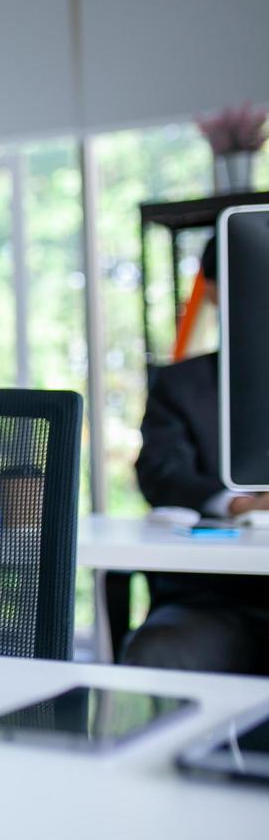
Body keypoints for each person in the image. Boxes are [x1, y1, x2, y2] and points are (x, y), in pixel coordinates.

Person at [127, 235, 269, 675]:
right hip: (216, 599)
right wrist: (242, 503)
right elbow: (160, 472)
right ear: (214, 291)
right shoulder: (182, 385)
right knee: (160, 650)